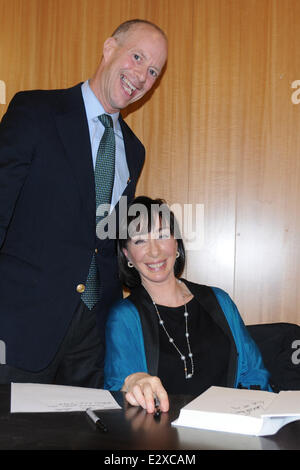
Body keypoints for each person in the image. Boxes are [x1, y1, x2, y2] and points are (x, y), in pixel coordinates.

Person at [0, 20, 168, 386]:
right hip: (19, 327)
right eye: (137, 57)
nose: (141, 76)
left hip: (91, 339)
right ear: (109, 48)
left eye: (153, 71)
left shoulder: (134, 150)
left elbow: (102, 240)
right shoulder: (35, 110)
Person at [104, 196, 272, 413]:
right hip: (160, 435)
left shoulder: (219, 301)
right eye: (140, 241)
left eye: (162, 235)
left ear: (177, 243)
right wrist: (135, 382)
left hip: (230, 428)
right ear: (127, 254)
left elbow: (254, 374)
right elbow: (120, 384)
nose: (155, 251)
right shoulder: (124, 317)